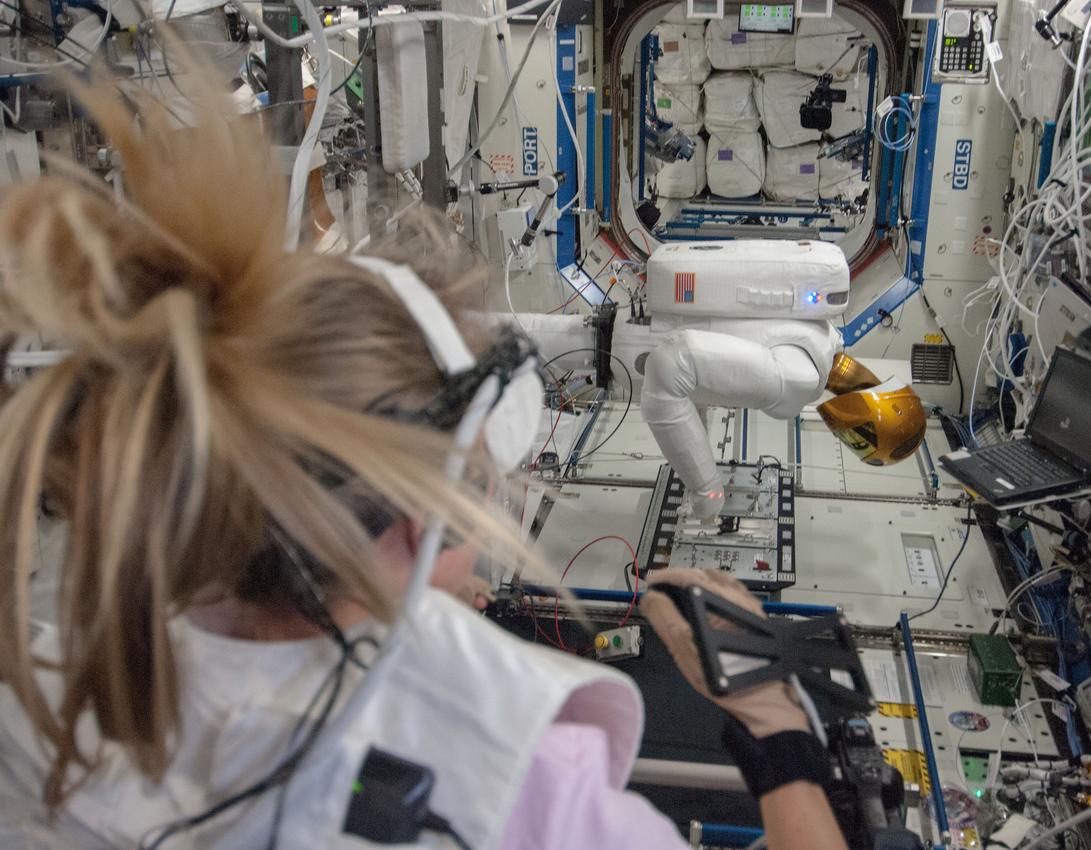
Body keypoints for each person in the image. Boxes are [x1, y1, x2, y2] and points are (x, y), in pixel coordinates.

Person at [0, 68, 851, 850]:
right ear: (423, 522)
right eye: (480, 489)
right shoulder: (523, 792)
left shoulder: (50, 694)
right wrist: (775, 727)